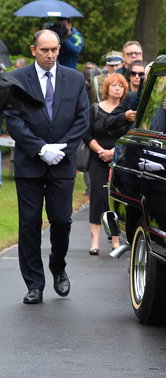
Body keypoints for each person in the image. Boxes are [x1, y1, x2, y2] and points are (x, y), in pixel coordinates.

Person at [4, 30, 90, 304]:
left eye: (55, 49)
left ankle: (58, 266)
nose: (51, 55)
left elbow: (82, 118)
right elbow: (13, 119)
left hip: (62, 163)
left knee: (62, 221)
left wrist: (61, 148)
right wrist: (40, 148)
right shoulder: (16, 79)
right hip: (29, 162)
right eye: (45, 50)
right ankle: (34, 283)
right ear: (33, 50)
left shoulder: (75, 79)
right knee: (29, 224)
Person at [84, 73, 135, 255]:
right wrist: (100, 151)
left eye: (120, 86)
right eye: (113, 85)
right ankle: (95, 241)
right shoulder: (95, 109)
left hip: (119, 160)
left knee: (116, 199)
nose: (116, 88)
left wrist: (114, 152)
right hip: (98, 159)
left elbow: (130, 136)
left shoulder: (128, 113)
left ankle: (115, 240)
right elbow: (87, 134)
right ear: (106, 88)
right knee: (97, 197)